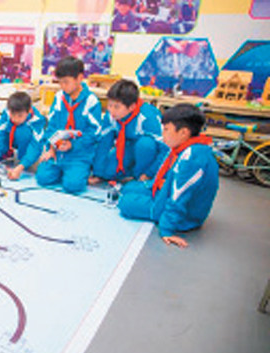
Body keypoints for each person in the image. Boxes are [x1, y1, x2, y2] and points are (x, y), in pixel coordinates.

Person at [118, 103, 219, 248]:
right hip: (165, 192)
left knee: (125, 203)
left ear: (183, 133)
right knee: (128, 188)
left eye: (166, 129)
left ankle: (156, 210)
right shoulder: (187, 147)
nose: (162, 134)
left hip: (184, 217)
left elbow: (179, 196)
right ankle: (151, 195)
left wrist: (166, 230)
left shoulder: (192, 158)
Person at [36, 56, 102, 193]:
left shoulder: (91, 101)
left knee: (73, 186)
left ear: (79, 78)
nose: (62, 86)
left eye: (66, 82)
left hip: (79, 154)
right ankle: (65, 171)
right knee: (42, 177)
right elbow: (52, 125)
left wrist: (73, 145)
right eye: (60, 82)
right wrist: (52, 147)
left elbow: (94, 134)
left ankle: (79, 171)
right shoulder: (59, 97)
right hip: (58, 151)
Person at [90, 79, 164, 184]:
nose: (111, 110)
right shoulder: (111, 115)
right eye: (109, 105)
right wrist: (98, 173)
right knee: (108, 173)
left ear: (131, 107)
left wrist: (149, 173)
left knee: (145, 144)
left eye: (117, 107)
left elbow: (165, 149)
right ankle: (129, 172)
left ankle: (139, 176)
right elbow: (104, 143)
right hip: (127, 146)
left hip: (147, 152)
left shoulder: (148, 117)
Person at [0, 92, 46, 180]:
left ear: (28, 111)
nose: (15, 119)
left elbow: (35, 146)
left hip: (25, 139)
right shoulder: (8, 112)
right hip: (11, 135)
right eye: (13, 115)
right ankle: (5, 152)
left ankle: (23, 159)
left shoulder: (37, 120)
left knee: (22, 131)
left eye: (20, 116)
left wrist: (21, 167)